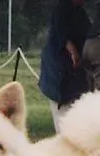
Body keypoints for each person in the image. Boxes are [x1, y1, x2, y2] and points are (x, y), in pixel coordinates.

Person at [39, 0, 91, 133]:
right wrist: (73, 52)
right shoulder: (61, 9)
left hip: (75, 73)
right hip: (59, 70)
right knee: (62, 113)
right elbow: (61, 33)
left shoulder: (80, 12)